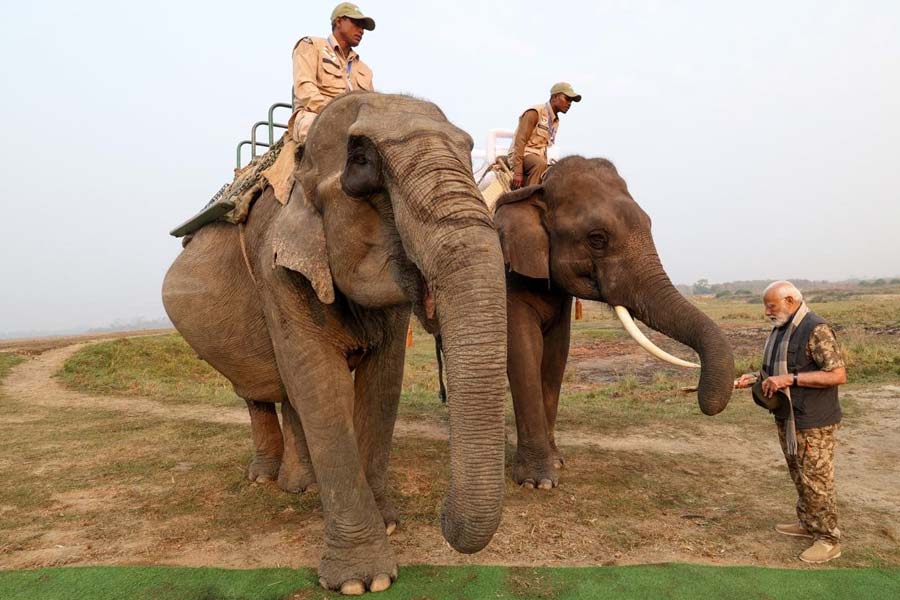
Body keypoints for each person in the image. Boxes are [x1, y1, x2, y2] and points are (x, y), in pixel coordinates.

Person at [735, 281, 847, 563]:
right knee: (799, 474)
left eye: (770, 306)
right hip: (788, 417)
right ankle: (808, 523)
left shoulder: (816, 329)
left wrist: (790, 380)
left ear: (789, 300)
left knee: (816, 480)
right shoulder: (782, 329)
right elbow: (776, 370)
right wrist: (754, 378)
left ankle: (828, 538)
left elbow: (837, 375)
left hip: (813, 421)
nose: (766, 312)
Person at [289, 2, 376, 144]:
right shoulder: (311, 46)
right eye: (356, 23)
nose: (361, 30)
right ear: (339, 21)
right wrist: (336, 115)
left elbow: (371, 106)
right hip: (315, 115)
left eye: (363, 27)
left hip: (355, 125)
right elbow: (305, 89)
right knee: (320, 134)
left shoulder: (364, 69)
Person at [508, 82, 581, 189]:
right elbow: (520, 141)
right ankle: (529, 199)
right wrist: (518, 171)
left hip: (541, 157)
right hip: (523, 154)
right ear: (555, 97)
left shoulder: (555, 121)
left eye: (571, 101)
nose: (569, 103)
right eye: (567, 99)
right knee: (539, 165)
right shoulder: (534, 112)